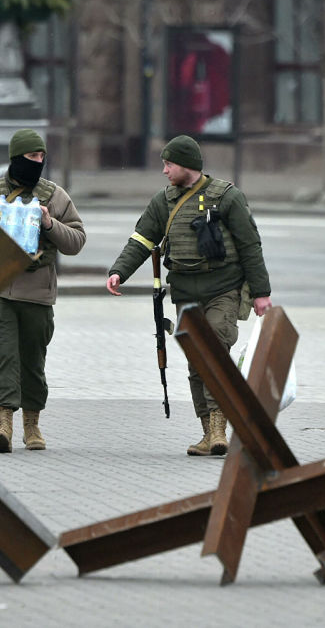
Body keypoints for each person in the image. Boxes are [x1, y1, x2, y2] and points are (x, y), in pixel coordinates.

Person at [106, 134, 272, 456]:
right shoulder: (162, 201)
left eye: (169, 164)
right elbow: (142, 239)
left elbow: (250, 244)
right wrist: (119, 271)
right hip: (185, 293)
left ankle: (219, 428)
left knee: (216, 352)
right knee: (198, 361)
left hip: (223, 289)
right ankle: (208, 432)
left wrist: (261, 293)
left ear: (186, 165)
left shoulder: (227, 197)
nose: (165, 171)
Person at [0, 129, 86, 453]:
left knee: (32, 363)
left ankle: (32, 425)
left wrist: (50, 224)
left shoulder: (54, 197)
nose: (37, 163)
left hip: (37, 293)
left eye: (41, 157)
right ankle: (3, 425)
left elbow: (77, 241)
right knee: (2, 359)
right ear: (16, 158)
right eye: (31, 157)